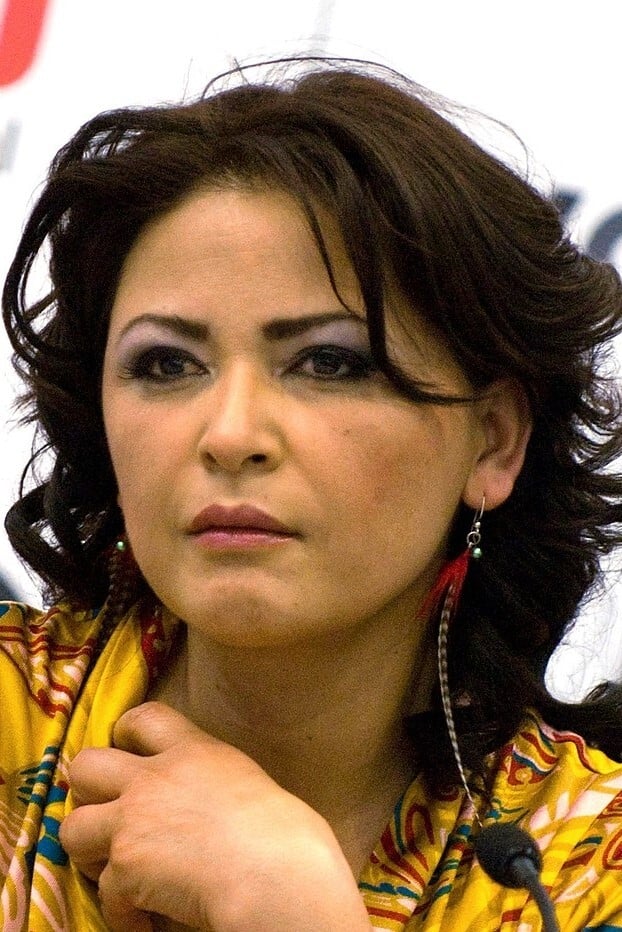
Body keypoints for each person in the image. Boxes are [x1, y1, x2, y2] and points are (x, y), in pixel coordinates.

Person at [1, 56, 622, 932]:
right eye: (167, 364)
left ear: (493, 441)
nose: (230, 434)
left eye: (329, 363)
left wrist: (290, 907)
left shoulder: (582, 870)